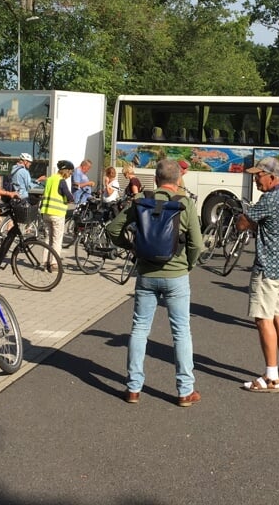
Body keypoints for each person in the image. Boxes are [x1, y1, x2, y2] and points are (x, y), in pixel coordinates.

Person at [106, 158, 204, 407]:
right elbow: (197, 244)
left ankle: (133, 388)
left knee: (140, 329)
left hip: (147, 275)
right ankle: (184, 391)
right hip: (177, 276)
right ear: (178, 179)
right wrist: (187, 265)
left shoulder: (140, 202)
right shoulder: (186, 204)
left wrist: (132, 248)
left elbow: (112, 229)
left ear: (156, 179)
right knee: (181, 332)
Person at [235, 157, 279, 392]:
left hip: (268, 268)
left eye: (258, 175)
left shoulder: (269, 199)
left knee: (263, 319)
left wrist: (246, 218)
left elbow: (243, 223)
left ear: (272, 177)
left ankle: (271, 377)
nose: (255, 179)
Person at [39, 160, 75, 271]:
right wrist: (70, 200)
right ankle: (54, 263)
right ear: (66, 171)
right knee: (57, 239)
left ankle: (45, 262)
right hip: (57, 214)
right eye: (70, 172)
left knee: (48, 238)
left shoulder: (50, 179)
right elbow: (69, 196)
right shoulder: (61, 181)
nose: (70, 175)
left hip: (46, 212)